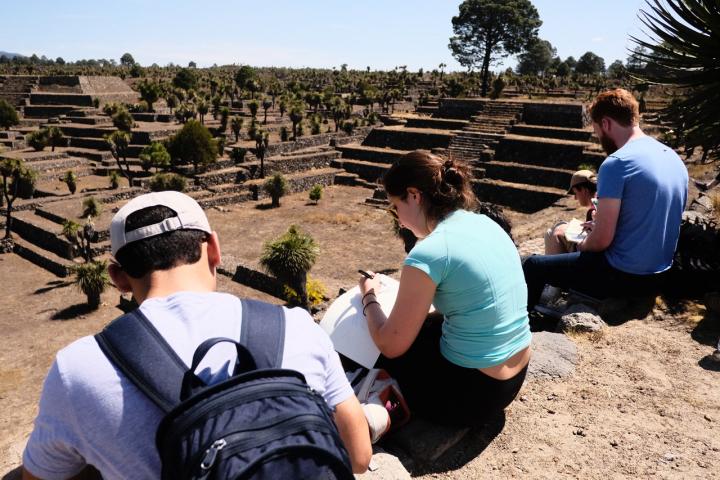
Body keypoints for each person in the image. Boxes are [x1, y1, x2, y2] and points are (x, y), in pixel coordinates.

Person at [22, 191, 371, 479]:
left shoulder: (78, 369)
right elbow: (357, 455)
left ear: (118, 278)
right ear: (214, 249)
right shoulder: (296, 325)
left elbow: (39, 476)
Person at [358, 150, 531, 427]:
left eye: (395, 207)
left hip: (472, 396)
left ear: (414, 195)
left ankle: (383, 409)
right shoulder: (485, 223)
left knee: (376, 349)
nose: (399, 219)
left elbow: (390, 345)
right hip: (515, 377)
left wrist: (369, 296)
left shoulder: (428, 253)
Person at [523, 88, 688, 310]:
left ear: (607, 123)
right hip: (659, 276)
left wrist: (581, 243)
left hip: (624, 276)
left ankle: (530, 324)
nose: (599, 137)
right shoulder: (673, 157)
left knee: (532, 265)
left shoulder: (617, 162)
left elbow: (601, 241)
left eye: (597, 130)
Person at [544, 169, 597, 255]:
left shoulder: (593, 211)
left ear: (584, 190)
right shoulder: (601, 200)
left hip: (589, 251)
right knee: (558, 226)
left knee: (551, 233)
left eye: (576, 193)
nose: (575, 198)